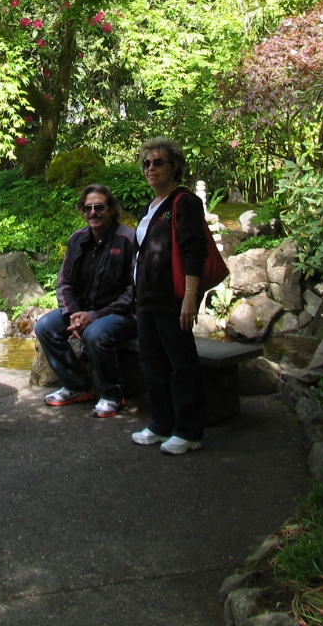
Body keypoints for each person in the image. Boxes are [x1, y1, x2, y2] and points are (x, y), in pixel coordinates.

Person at [130, 137, 208, 454]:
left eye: (158, 162)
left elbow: (194, 250)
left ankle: (189, 430)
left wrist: (190, 295)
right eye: (146, 163)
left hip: (172, 298)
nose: (151, 168)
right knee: (151, 363)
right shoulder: (150, 208)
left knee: (181, 363)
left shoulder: (184, 202)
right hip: (146, 299)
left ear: (173, 166)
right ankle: (161, 424)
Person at [35, 185, 139, 418]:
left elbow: (134, 291)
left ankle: (112, 394)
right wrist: (74, 314)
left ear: (111, 209)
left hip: (122, 315)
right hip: (84, 312)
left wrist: (93, 317)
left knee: (95, 333)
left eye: (99, 207)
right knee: (45, 326)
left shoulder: (128, 240)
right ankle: (77, 386)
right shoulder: (77, 240)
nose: (93, 212)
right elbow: (65, 283)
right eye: (87, 208)